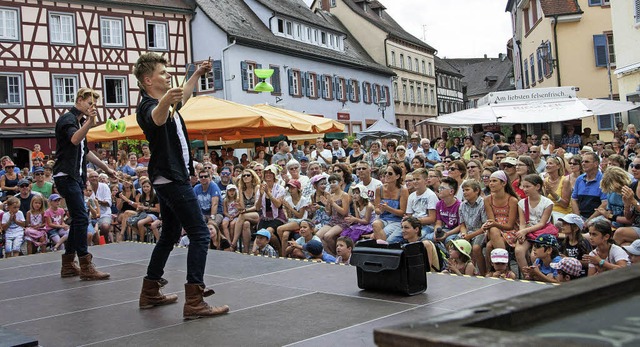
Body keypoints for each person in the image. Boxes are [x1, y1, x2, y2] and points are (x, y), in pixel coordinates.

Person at [133, 52, 228, 317]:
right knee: (199, 234)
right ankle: (194, 300)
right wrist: (166, 99)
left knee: (170, 234)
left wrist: (196, 74)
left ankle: (150, 290)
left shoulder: (163, 103)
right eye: (163, 73)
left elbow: (181, 99)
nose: (167, 75)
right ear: (148, 79)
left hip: (168, 177)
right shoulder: (146, 106)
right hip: (172, 179)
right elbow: (157, 118)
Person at [53, 88, 113, 281]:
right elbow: (74, 139)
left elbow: (86, 151)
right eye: (89, 103)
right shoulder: (68, 119)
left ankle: (69, 264)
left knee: (79, 218)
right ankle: (85, 264)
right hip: (65, 175)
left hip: (75, 177)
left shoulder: (79, 122)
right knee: (80, 218)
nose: (92, 107)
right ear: (79, 100)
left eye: (94, 105)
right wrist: (90, 123)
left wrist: (107, 169)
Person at [514, 174, 557, 272]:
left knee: (535, 255)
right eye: (523, 186)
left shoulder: (547, 203)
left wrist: (524, 231)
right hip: (528, 231)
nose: (525, 189)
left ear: (537, 187)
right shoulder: (522, 203)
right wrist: (522, 233)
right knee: (518, 251)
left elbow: (542, 223)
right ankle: (527, 274)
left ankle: (539, 274)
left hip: (541, 231)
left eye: (528, 186)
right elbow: (522, 222)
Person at [458, 180, 489, 275]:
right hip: (468, 231)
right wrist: (464, 233)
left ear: (476, 191)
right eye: (463, 190)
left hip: (480, 231)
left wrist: (470, 236)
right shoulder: (462, 205)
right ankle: (465, 271)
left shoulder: (483, 203)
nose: (464, 192)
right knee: (457, 244)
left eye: (467, 190)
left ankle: (483, 272)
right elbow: (462, 224)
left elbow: (485, 226)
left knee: (475, 247)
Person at [571, 151, 607, 221]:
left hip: (597, 217)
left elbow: (604, 203)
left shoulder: (604, 180)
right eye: (582, 162)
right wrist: (578, 219)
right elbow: (574, 199)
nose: (583, 164)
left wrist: (589, 220)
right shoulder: (579, 179)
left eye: (587, 162)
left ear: (596, 164)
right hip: (580, 216)